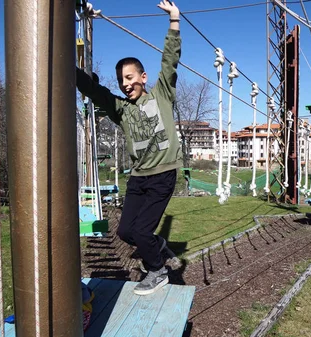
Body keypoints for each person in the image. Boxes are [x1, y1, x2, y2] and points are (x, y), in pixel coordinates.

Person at [76, 0, 182, 295]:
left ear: (143, 77)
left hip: (163, 174)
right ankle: (158, 246)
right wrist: (68, 68)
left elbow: (170, 59)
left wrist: (174, 19)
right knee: (125, 232)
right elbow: (95, 91)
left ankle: (158, 271)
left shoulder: (161, 94)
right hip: (138, 177)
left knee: (140, 231)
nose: (125, 84)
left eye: (130, 77)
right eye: (121, 79)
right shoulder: (120, 109)